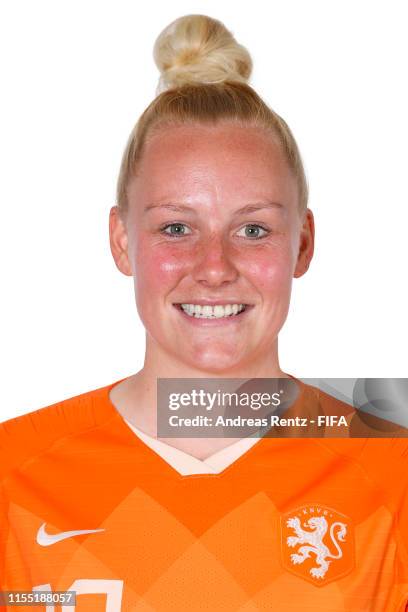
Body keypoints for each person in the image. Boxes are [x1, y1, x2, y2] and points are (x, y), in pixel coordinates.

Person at [0, 14, 407, 611]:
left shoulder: (392, 475)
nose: (214, 266)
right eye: (176, 227)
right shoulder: (14, 475)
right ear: (121, 241)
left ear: (302, 243)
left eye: (252, 228)